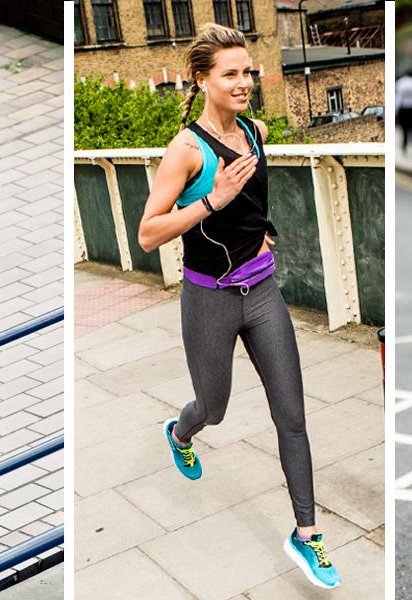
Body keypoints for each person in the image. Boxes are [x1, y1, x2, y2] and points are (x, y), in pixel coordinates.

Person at [136, 23, 341, 590]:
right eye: (231, 74)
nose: (244, 81)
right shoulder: (185, 150)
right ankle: (180, 433)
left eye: (247, 71)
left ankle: (307, 534)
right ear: (203, 80)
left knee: (292, 416)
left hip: (264, 292)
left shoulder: (256, 129)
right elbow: (149, 235)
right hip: (210, 299)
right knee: (214, 406)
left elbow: (253, 204)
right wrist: (211, 199)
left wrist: (263, 231)